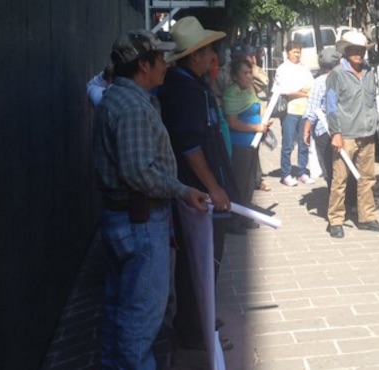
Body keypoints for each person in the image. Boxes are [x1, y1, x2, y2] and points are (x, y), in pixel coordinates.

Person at [93, 29, 209, 369]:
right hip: (140, 223)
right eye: (160, 59)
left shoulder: (123, 98)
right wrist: (183, 190)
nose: (166, 66)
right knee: (140, 319)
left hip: (126, 220)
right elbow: (138, 173)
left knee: (121, 310)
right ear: (143, 65)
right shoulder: (131, 106)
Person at [157, 16, 238, 367]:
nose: (212, 56)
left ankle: (198, 321)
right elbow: (190, 147)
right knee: (198, 264)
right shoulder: (184, 90)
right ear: (192, 56)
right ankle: (192, 331)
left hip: (203, 193)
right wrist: (214, 186)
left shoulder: (194, 84)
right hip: (199, 197)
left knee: (205, 264)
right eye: (207, 51)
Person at [326, 31, 379, 238]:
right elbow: (331, 106)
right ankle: (335, 219)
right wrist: (336, 133)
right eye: (354, 49)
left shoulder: (370, 72)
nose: (358, 54)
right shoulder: (336, 74)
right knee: (340, 179)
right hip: (346, 135)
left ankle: (367, 217)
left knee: (368, 178)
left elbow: (373, 99)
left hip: (367, 133)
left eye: (361, 50)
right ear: (346, 50)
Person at [223, 59, 272, 208]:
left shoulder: (250, 90)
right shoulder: (232, 93)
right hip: (240, 145)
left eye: (250, 72)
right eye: (245, 73)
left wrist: (264, 122)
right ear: (235, 76)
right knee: (240, 183)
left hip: (252, 144)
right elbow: (233, 122)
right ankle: (235, 219)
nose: (250, 76)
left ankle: (245, 214)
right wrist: (257, 127)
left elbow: (256, 107)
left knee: (250, 182)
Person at [274, 41, 315, 186]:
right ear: (287, 52)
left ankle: (302, 172)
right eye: (294, 52)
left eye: (299, 52)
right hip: (289, 112)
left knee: (304, 143)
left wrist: (299, 91)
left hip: (304, 111)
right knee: (288, 144)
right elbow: (286, 90)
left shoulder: (304, 68)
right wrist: (302, 91)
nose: (297, 55)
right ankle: (286, 174)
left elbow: (311, 86)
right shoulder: (282, 69)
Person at [302, 48, 342, 190]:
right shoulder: (343, 78)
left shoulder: (319, 82)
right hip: (343, 128)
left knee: (328, 167)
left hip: (324, 130)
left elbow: (312, 109)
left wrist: (306, 130)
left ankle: (334, 198)